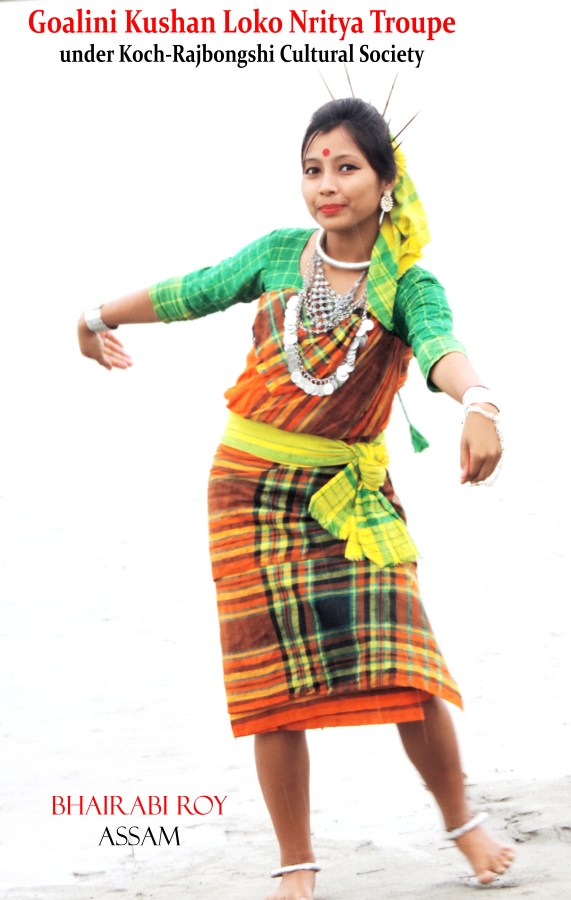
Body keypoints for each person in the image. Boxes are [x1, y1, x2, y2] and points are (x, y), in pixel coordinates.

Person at [77, 98, 514, 899]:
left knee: (407, 665)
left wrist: (479, 403)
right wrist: (94, 315)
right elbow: (194, 289)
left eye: (346, 167)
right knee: (269, 689)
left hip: (347, 498)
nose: (326, 185)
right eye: (312, 169)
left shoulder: (406, 284)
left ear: (385, 181)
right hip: (246, 491)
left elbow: (439, 347)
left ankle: (462, 823)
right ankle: (296, 866)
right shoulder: (280, 254)